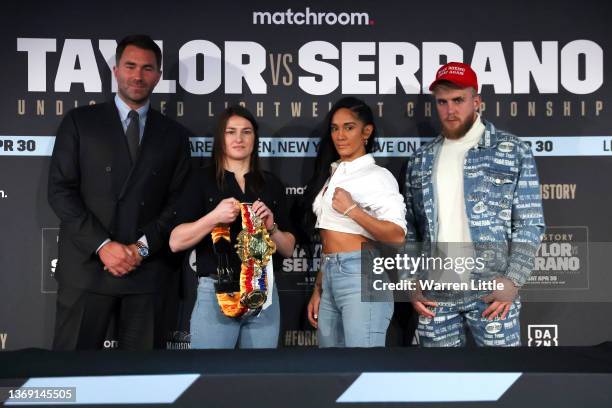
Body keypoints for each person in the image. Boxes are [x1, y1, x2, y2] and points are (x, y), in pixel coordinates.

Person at [48, 35, 192, 350]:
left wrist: (139, 250)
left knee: (143, 384)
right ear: (116, 70)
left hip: (147, 270)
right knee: (70, 378)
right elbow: (60, 191)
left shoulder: (175, 135)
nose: (137, 76)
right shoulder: (80, 122)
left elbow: (178, 204)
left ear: (158, 75)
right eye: (130, 66)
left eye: (147, 68)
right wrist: (103, 246)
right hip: (87, 268)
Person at [404, 62, 545, 347]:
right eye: (442, 102)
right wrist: (411, 280)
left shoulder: (513, 150)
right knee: (438, 385)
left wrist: (513, 280)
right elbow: (409, 228)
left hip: (492, 290)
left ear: (477, 102)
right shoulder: (421, 160)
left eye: (459, 100)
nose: (450, 110)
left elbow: (530, 222)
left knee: (502, 382)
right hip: (436, 293)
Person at [169, 105, 295, 349]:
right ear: (220, 138)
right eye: (231, 132)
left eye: (246, 132)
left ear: (254, 138)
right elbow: (175, 241)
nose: (239, 138)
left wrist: (272, 227)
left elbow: (289, 249)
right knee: (206, 377)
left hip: (263, 293)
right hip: (216, 291)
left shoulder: (271, 185)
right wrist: (213, 217)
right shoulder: (200, 180)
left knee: (260, 379)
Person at [304, 97, 407, 348]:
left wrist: (352, 209)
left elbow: (397, 236)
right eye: (335, 128)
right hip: (330, 274)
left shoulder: (378, 176)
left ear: (366, 132)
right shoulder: (334, 173)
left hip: (362, 274)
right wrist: (319, 287)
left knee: (364, 370)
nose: (340, 135)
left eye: (348, 127)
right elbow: (331, 237)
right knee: (330, 372)